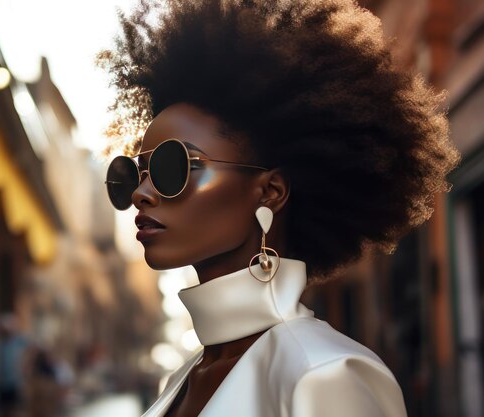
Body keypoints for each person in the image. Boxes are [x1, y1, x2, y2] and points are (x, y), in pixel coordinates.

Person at [99, 0, 460, 416]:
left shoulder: (327, 375)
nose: (141, 193)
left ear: (270, 191)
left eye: (173, 166)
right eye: (135, 172)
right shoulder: (180, 379)